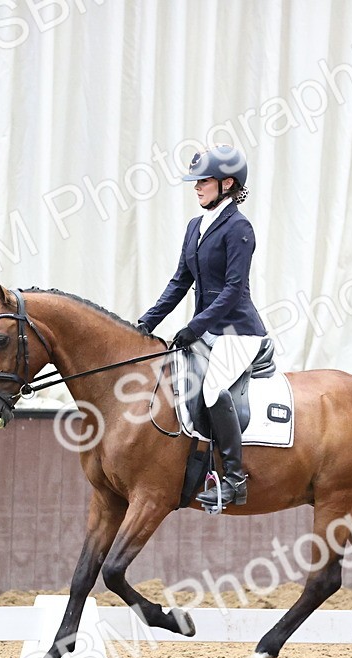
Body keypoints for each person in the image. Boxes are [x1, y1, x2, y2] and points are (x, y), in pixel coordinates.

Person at [137, 145, 267, 509]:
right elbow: (180, 281)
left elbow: (233, 289)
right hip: (208, 329)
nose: (196, 188)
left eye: (203, 181)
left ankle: (235, 481)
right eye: (196, 182)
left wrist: (194, 327)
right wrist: (147, 322)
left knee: (212, 391)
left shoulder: (240, 228)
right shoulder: (195, 226)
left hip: (237, 331)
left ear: (227, 184)